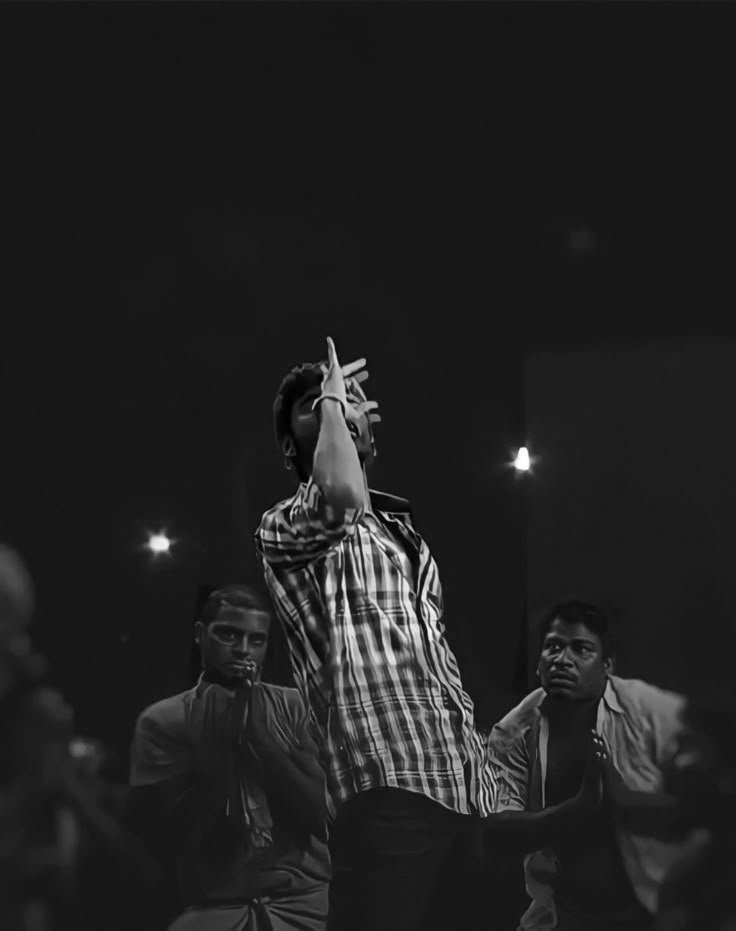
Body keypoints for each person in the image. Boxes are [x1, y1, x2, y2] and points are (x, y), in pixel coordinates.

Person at [255, 338, 494, 931]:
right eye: (319, 404)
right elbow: (339, 495)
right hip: (385, 789)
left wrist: (486, 789)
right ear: (291, 443)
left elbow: (440, 667)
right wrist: (336, 407)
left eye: (350, 399)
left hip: (465, 797)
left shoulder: (404, 535)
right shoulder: (286, 526)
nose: (339, 404)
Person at [129, 584, 330, 931]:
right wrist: (227, 741)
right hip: (216, 907)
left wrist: (258, 737)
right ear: (199, 634)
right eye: (228, 635)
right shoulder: (163, 721)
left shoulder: (296, 707)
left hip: (307, 899)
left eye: (256, 640)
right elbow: (174, 838)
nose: (242, 650)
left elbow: (320, 818)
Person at [484, 600, 692, 931]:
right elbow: (496, 830)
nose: (562, 660)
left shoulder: (648, 710)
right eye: (552, 647)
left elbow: (711, 802)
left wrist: (623, 799)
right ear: (538, 662)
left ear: (607, 664)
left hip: (655, 910)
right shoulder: (513, 732)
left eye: (582, 649)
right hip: (561, 913)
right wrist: (576, 810)